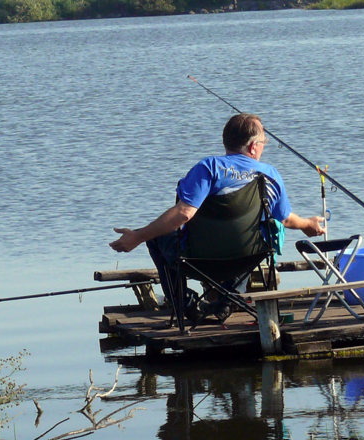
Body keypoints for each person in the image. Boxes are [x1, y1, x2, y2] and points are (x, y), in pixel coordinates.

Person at [110, 113, 326, 314]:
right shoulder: (269, 175)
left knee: (156, 237)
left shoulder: (209, 168)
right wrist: (308, 224)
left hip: (196, 260)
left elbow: (184, 213)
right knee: (261, 233)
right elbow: (285, 219)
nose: (263, 148)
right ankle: (228, 298)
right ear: (252, 147)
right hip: (246, 258)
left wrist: (138, 236)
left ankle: (186, 305)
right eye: (262, 144)